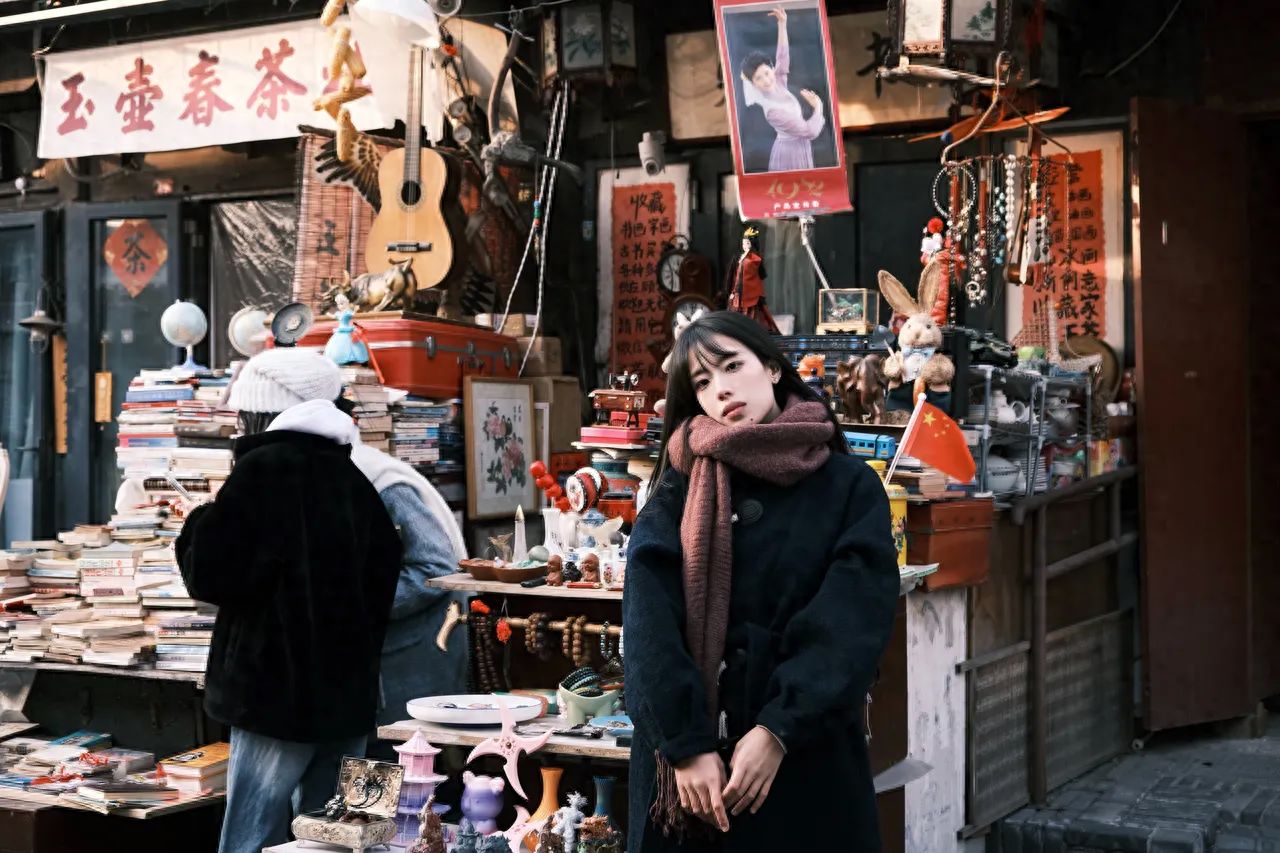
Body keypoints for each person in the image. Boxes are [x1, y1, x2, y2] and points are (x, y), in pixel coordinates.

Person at [623, 311, 899, 852]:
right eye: (702, 382)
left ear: (772, 368)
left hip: (805, 760)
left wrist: (778, 730)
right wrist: (685, 744)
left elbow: (853, 619)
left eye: (732, 366)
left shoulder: (848, 486)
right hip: (690, 782)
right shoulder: (678, 488)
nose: (721, 389)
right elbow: (648, 624)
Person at [175, 347, 402, 853]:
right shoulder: (353, 478)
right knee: (344, 838)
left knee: (252, 831)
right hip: (349, 692)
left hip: (273, 694)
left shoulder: (261, 474)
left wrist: (198, 520)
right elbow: (386, 571)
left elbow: (211, 575)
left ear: (263, 411)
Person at [266, 394, 470, 739]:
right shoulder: (323, 480)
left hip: (412, 658)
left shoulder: (380, 482)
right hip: (367, 661)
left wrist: (351, 608)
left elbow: (434, 568)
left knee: (404, 770)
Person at [739, 6, 826, 172]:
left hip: (801, 146)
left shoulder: (778, 81)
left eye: (766, 72)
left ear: (771, 68)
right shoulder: (772, 111)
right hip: (789, 153)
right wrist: (818, 106)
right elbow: (810, 131)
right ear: (753, 84)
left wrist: (782, 23)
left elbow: (782, 55)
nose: (766, 79)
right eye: (758, 78)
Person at [722, 225, 780, 334]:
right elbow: (736, 277)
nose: (745, 246)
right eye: (744, 243)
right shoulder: (740, 258)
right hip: (738, 293)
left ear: (752, 244)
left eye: (748, 243)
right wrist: (733, 291)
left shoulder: (753, 260)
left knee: (754, 319)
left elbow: (747, 278)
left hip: (750, 294)